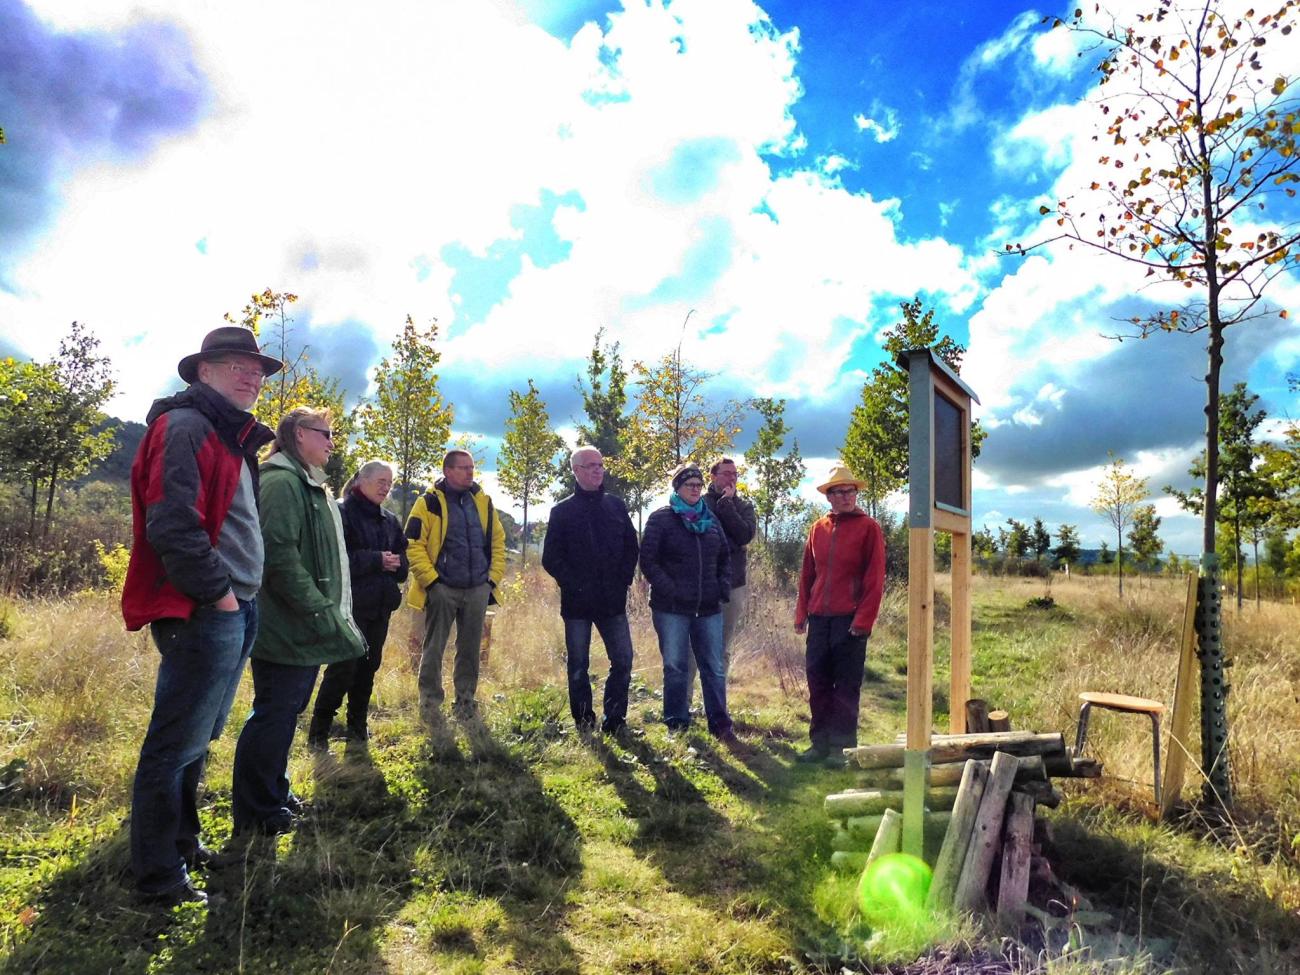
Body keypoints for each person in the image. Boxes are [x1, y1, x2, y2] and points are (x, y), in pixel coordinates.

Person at [121, 326, 282, 907]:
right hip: (205, 608)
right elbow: (172, 523)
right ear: (203, 371)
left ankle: (183, 846)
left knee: (196, 738)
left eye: (257, 369)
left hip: (236, 606)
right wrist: (219, 596)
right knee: (173, 744)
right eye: (238, 365)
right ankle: (158, 876)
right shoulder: (185, 426)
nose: (252, 376)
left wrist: (240, 600)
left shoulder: (233, 439)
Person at [231, 407, 366, 836]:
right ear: (299, 434)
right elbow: (279, 558)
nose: (331, 443)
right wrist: (319, 609)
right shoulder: (281, 482)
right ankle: (257, 811)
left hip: (299, 625)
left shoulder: (303, 482)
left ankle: (273, 791)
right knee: (274, 713)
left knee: (286, 713)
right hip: (285, 625)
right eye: (325, 433)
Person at [308, 460, 409, 750]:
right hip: (348, 607)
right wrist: (377, 560)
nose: (385, 487)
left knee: (368, 668)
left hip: (380, 607)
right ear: (360, 481)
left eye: (389, 483)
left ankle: (357, 728)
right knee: (343, 668)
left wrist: (397, 564)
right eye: (380, 481)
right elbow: (334, 561)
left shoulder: (389, 520)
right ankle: (319, 733)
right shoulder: (340, 512)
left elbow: (403, 565)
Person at [541, 446, 639, 734]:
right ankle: (584, 721)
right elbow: (551, 558)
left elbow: (631, 547)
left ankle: (615, 720)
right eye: (591, 465)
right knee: (578, 665)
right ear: (576, 470)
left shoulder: (616, 506)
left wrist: (623, 580)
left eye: (600, 464)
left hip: (612, 601)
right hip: (577, 603)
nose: (598, 470)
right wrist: (576, 584)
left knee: (623, 660)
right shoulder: (562, 511)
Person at [794, 463, 886, 768]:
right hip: (819, 619)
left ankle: (842, 749)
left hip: (850, 620)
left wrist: (863, 621)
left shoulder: (869, 528)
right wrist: (801, 613)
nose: (847, 496)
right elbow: (807, 575)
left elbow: (875, 579)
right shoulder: (817, 528)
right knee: (818, 682)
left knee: (846, 686)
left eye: (851, 491)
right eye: (840, 492)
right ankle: (819, 744)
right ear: (829, 496)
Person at [405, 449, 505, 725]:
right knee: (434, 648)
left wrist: (491, 581)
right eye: (463, 468)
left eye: (471, 467)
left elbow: (498, 542)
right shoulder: (428, 503)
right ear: (447, 471)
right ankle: (430, 703)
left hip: (477, 589)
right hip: (442, 588)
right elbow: (412, 545)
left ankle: (465, 702)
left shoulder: (483, 502)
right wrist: (432, 582)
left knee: (471, 650)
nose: (470, 472)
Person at [639, 465, 736, 743]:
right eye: (689, 484)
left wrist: (721, 587)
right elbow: (648, 561)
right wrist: (671, 589)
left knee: (713, 667)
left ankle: (720, 724)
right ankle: (677, 723)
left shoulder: (711, 520)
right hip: (671, 608)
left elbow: (724, 557)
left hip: (708, 608)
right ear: (677, 488)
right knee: (675, 667)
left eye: (698, 484)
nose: (695, 489)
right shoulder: (661, 519)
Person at [685, 457, 756, 700]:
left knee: (721, 647)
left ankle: (716, 704)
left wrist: (726, 505)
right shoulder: (699, 502)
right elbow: (701, 536)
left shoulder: (743, 506)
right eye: (726, 473)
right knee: (692, 647)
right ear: (713, 476)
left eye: (734, 474)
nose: (731, 478)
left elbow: (744, 535)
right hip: (700, 584)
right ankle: (684, 703)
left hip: (733, 585)